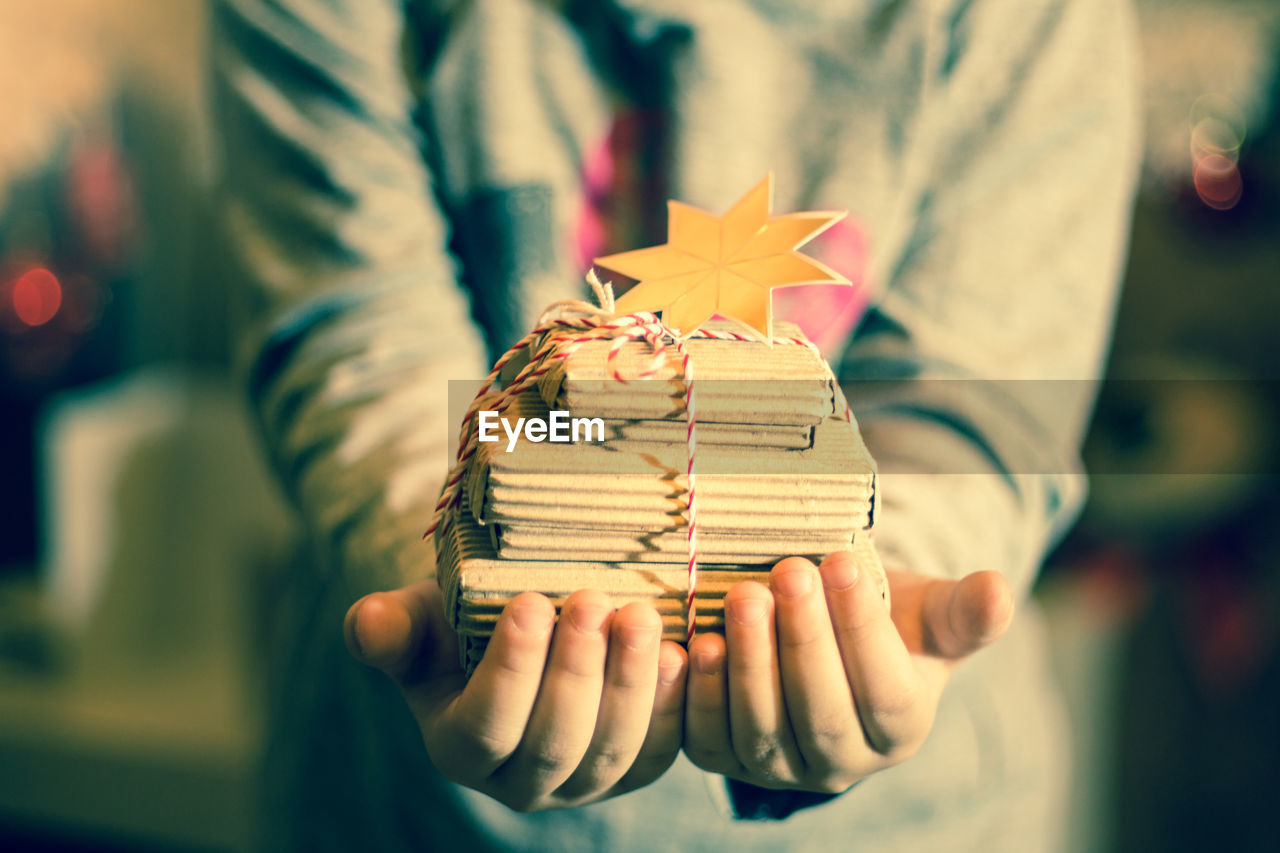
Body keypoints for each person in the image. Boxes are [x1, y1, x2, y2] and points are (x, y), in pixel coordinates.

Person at [211, 0, 1139, 848]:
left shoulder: (1036, 20)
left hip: (915, 821)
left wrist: (876, 613)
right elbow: (364, 332)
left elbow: (968, 399)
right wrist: (453, 593)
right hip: (407, 808)